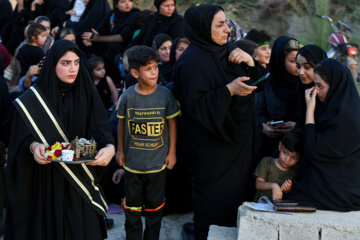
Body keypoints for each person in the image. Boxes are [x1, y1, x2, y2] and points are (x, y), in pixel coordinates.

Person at [5, 40, 115, 239]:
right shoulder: (32, 99)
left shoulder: (87, 92)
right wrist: (33, 146)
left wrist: (109, 148)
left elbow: (102, 129)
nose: (72, 69)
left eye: (76, 62)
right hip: (45, 184)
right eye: (65, 63)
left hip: (79, 182)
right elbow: (17, 139)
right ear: (52, 63)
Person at [173, 4, 262, 239]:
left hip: (240, 141)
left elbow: (258, 85)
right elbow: (194, 108)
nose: (228, 31)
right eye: (220, 25)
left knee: (239, 196)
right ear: (203, 28)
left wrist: (251, 62)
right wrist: (228, 91)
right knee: (213, 200)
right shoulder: (191, 62)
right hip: (211, 146)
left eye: (227, 23)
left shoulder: (230, 51)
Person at [116, 45, 180, 240]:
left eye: (156, 67)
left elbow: (172, 124)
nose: (154, 72)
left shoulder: (164, 95)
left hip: (157, 164)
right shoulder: (128, 96)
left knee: (155, 206)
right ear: (135, 72)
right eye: (148, 68)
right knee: (132, 207)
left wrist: (172, 152)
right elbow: (121, 123)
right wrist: (120, 151)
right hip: (133, 164)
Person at [286, 59, 360, 211]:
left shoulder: (345, 117)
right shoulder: (337, 108)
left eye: (321, 86)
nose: (316, 91)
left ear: (336, 87)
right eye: (315, 85)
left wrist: (309, 111)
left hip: (340, 193)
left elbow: (313, 150)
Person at [256, 36, 302, 158]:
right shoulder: (266, 82)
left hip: (298, 149)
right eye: (293, 61)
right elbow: (258, 112)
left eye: (300, 61)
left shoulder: (305, 83)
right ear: (280, 60)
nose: (298, 67)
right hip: (269, 147)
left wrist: (297, 127)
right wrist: (265, 127)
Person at [254, 130, 304, 201]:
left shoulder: (295, 171)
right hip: (259, 207)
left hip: (279, 209)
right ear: (280, 146)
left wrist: (287, 189)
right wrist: (273, 186)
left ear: (299, 158)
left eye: (294, 157)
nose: (287, 159)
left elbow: (292, 193)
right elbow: (258, 184)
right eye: (285, 152)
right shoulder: (267, 162)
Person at [295, 44, 327, 129]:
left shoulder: (326, 94)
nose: (300, 72)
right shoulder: (299, 88)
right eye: (298, 66)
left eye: (307, 67)